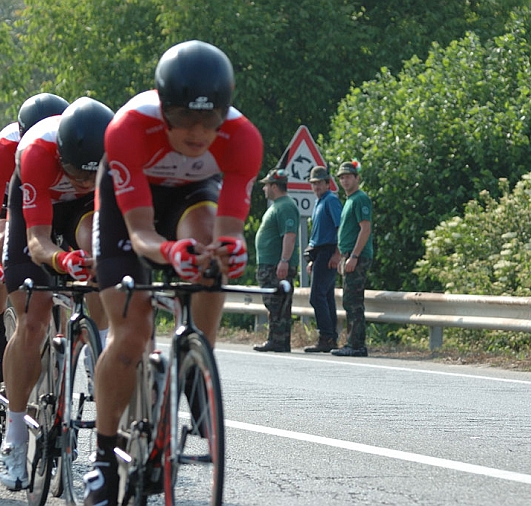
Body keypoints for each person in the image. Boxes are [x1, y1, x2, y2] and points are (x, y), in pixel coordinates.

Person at [85, 39, 262, 505]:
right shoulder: (128, 128)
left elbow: (229, 229)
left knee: (210, 255)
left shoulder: (244, 138)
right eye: (185, 120)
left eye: (210, 121)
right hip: (132, 208)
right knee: (131, 330)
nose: (198, 133)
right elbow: (142, 234)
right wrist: (170, 252)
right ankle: (104, 457)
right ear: (164, 109)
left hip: (193, 194)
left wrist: (229, 249)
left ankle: (193, 368)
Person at [0, 97, 113, 491]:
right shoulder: (36, 152)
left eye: (90, 176)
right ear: (62, 155)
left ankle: (94, 342)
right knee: (32, 319)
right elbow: (37, 241)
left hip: (83, 212)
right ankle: (15, 436)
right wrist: (63, 262)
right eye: (77, 174)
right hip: (36, 214)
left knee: (100, 253)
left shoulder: (113, 154)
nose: (81, 181)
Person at [0, 92, 69, 382]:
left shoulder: (74, 137)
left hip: (58, 193)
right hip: (13, 193)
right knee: (2, 235)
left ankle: (63, 337)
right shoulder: (5, 146)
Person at [252, 168, 299, 353]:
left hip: (276, 265)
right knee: (276, 302)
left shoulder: (285, 205)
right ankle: (278, 340)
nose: (264, 190)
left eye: (266, 186)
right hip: (271, 263)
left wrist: (284, 260)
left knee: (277, 302)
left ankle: (278, 340)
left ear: (274, 186)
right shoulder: (279, 205)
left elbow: (289, 235)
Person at [332, 160, 373, 357]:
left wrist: (354, 256)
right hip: (348, 255)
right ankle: (352, 342)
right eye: (342, 177)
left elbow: (365, 228)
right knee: (349, 300)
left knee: (353, 301)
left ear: (357, 178)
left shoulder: (360, 199)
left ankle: (356, 345)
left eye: (348, 176)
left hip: (357, 256)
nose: (345, 180)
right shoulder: (349, 200)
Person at [304, 165, 343, 352]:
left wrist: (337, 254)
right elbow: (319, 233)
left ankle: (326, 336)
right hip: (320, 251)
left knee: (316, 296)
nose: (316, 187)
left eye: (320, 183)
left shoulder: (331, 200)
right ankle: (330, 338)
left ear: (328, 184)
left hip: (329, 250)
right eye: (314, 183)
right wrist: (312, 259)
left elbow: (339, 227)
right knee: (326, 296)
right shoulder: (319, 202)